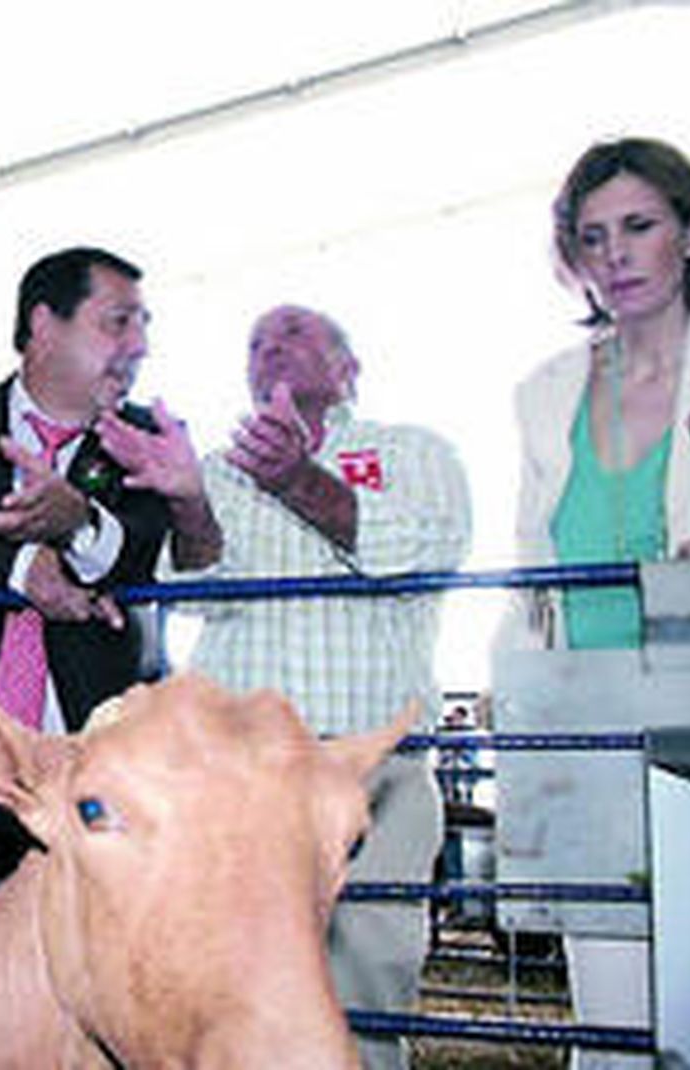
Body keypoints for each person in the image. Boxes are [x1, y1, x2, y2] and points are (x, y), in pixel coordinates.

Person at [0, 245, 222, 942]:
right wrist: (21, 568)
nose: (138, 346)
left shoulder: (147, 437)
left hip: (97, 769)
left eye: (144, 325)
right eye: (118, 322)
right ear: (43, 324)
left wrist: (81, 522)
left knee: (93, 965)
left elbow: (147, 552)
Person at [509, 136, 690, 1069]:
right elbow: (532, 573)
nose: (613, 254)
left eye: (639, 226)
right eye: (591, 236)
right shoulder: (542, 394)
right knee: (609, 1028)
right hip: (577, 726)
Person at [178, 304, 470, 1069]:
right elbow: (189, 588)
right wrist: (182, 503)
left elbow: (425, 556)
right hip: (237, 771)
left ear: (350, 368)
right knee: (229, 982)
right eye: (255, 341)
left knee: (366, 986)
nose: (270, 346)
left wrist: (301, 481)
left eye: (295, 334)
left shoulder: (413, 451)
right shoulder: (212, 470)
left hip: (376, 767)